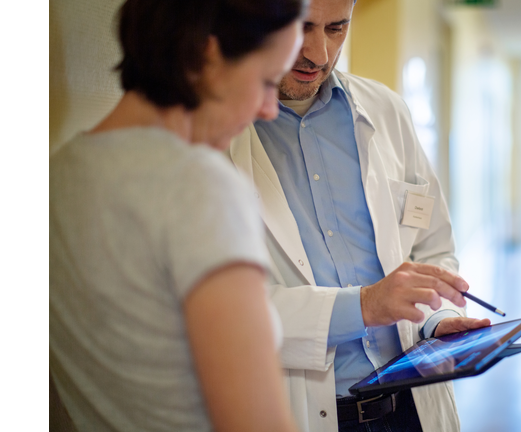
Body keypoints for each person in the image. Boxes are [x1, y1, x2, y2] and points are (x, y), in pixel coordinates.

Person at [228, 0, 490, 430]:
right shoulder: (222, 133)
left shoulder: (386, 110)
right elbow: (231, 309)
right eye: (302, 27)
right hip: (309, 411)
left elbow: (429, 245)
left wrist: (437, 319)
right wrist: (365, 305)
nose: (319, 54)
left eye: (336, 28)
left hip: (412, 406)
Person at [49, 1, 305, 431]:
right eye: (267, 81)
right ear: (208, 57)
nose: (269, 109)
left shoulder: (57, 177)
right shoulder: (201, 187)